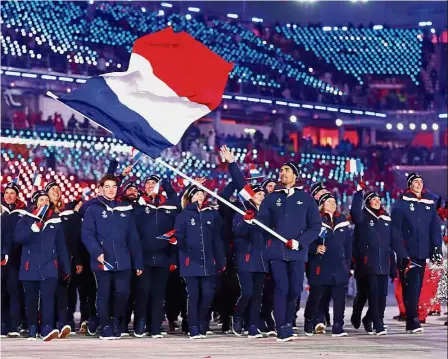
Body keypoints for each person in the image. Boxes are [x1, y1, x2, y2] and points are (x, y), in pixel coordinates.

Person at [257, 162, 321, 342]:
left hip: (297, 253)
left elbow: (315, 227)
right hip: (276, 251)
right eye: (280, 170)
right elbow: (263, 222)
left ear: (295, 175)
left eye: (286, 170)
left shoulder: (306, 199)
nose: (282, 173)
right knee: (282, 286)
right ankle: (281, 327)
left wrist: (300, 243)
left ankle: (288, 321)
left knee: (295, 289)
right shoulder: (271, 198)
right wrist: (254, 220)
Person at [81, 174, 143, 340]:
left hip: (123, 259)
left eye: (113, 187)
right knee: (104, 293)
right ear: (101, 189)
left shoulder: (125, 209)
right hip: (102, 260)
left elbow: (133, 238)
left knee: (123, 292)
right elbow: (87, 234)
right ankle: (106, 326)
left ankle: (115, 320)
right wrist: (97, 252)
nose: (110, 190)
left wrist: (138, 262)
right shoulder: (93, 209)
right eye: (107, 186)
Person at [15, 190, 71, 341]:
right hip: (29, 267)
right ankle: (32, 327)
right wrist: (33, 228)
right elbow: (18, 238)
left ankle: (46, 327)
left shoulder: (55, 220)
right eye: (41, 200)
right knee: (31, 300)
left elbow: (61, 246)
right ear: (35, 202)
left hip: (49, 267)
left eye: (46, 200)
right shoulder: (26, 219)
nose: (44, 202)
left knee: (48, 299)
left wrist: (66, 267)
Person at [391, 173, 442, 334]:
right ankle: (413, 320)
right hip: (407, 253)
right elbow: (395, 231)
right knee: (411, 286)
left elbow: (435, 229)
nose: (419, 184)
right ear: (409, 185)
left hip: (422, 252)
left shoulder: (429, 203)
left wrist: (436, 249)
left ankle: (411, 317)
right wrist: (402, 253)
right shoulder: (401, 204)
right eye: (415, 182)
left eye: (421, 181)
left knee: (417, 286)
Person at [172, 185, 226, 339]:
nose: (200, 197)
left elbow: (217, 240)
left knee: (208, 294)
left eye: (202, 194)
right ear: (190, 197)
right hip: (190, 261)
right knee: (193, 295)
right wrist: (176, 241)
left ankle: (203, 322)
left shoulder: (212, 214)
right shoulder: (183, 215)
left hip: (209, 261)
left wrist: (221, 261)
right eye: (196, 194)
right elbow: (179, 237)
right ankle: (193, 326)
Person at [133, 176, 179, 338]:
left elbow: (176, 232)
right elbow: (133, 235)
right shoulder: (138, 206)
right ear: (144, 187)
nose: (151, 186)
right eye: (148, 183)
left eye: (154, 183)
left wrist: (173, 258)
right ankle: (140, 324)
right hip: (144, 257)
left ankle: (155, 326)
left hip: (163, 257)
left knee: (159, 293)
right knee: (143, 292)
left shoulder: (170, 206)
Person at [303, 193, 352, 337]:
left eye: (334, 201)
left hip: (339, 266)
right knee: (316, 296)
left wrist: (347, 265)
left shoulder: (342, 220)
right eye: (329, 201)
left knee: (339, 297)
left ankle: (338, 325)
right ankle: (310, 320)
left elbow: (348, 246)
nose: (333, 203)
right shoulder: (314, 220)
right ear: (322, 204)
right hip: (320, 265)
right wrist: (314, 249)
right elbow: (305, 241)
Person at [350, 183, 391, 336]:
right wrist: (359, 192)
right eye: (373, 199)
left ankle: (369, 319)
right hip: (367, 263)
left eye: (378, 199)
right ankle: (378, 323)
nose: (377, 201)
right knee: (369, 293)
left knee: (382, 296)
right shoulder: (363, 217)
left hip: (384, 263)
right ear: (367, 202)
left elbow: (392, 241)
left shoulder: (386, 217)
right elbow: (354, 211)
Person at [45, 181, 80, 336]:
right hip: (47, 258)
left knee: (67, 289)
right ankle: (48, 322)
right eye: (52, 189)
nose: (56, 191)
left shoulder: (68, 212)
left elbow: (75, 238)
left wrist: (77, 259)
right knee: (48, 291)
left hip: (67, 256)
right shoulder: (42, 212)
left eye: (58, 189)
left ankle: (66, 321)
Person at [1, 182, 27, 337]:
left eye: (12, 193)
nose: (9, 196)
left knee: (14, 292)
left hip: (14, 260)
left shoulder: (21, 214)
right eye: (6, 193)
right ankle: (2, 324)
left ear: (17, 195)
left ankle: (13, 325)